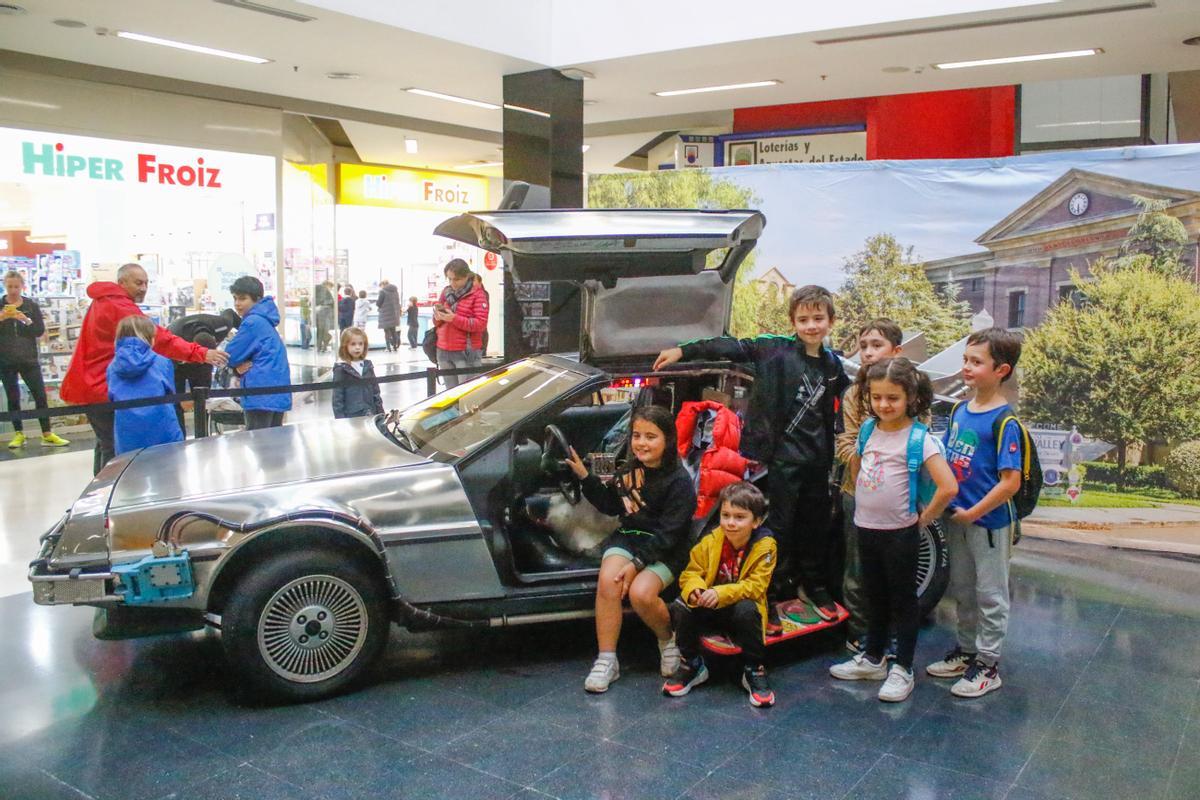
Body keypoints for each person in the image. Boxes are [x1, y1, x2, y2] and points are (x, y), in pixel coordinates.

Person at [654, 285, 850, 626]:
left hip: (818, 461)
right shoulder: (776, 348)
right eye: (803, 319)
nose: (811, 325)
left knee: (815, 529)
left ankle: (815, 587)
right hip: (783, 459)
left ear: (831, 321)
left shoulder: (834, 365)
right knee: (779, 532)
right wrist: (683, 351)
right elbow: (733, 345)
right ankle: (768, 595)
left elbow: (848, 401)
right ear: (793, 321)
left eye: (818, 318)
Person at [828, 357, 957, 702]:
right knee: (874, 596)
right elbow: (859, 465)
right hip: (866, 528)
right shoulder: (869, 430)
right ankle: (873, 658)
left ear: (911, 397)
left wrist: (922, 520)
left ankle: (902, 667)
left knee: (903, 601)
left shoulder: (919, 438)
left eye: (893, 398)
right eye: (877, 397)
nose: (883, 405)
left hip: (900, 534)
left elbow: (948, 487)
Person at [561, 405, 696, 693]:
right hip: (630, 536)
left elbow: (669, 535)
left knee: (640, 594)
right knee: (609, 582)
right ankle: (608, 659)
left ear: (668, 440)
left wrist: (636, 564)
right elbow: (612, 505)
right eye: (637, 435)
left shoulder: (680, 482)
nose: (641, 443)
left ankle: (666, 638)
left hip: (665, 547)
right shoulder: (630, 469)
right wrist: (586, 477)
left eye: (651, 436)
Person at [925, 328, 1023, 699]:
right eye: (966, 359)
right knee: (963, 589)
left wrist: (974, 513)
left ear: (1001, 369)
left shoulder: (1005, 421)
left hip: (989, 524)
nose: (967, 367)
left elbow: (1009, 482)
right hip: (959, 519)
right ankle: (966, 652)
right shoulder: (959, 411)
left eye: (976, 362)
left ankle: (988, 663)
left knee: (991, 593)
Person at [60, 263, 226, 474]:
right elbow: (159, 338)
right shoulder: (120, 306)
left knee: (105, 443)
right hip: (102, 386)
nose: (143, 288)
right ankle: (109, 497)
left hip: (91, 384)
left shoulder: (102, 301)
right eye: (138, 283)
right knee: (112, 448)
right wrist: (200, 353)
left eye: (146, 283)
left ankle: (99, 494)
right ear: (122, 282)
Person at [663, 482, 778, 708]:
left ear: (756, 521)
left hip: (738, 610)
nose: (730, 523)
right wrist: (696, 590)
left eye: (739, 517)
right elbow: (690, 573)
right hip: (710, 607)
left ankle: (754, 669)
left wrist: (719, 592)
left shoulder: (766, 547)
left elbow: (756, 586)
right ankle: (692, 664)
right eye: (726, 515)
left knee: (748, 608)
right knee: (681, 604)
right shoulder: (710, 540)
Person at [834, 319, 905, 655]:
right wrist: (872, 464)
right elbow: (846, 442)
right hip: (857, 492)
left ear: (896, 351)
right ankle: (861, 635)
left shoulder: (911, 391)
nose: (868, 352)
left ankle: (891, 635)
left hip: (900, 497)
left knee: (894, 570)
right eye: (863, 346)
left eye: (876, 345)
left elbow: (915, 442)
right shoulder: (853, 394)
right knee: (858, 570)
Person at [1, 270, 69, 448]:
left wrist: (25, 319)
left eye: (16, 286)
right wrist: (2, 317)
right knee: (13, 396)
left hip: (29, 359)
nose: (13, 290)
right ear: (4, 285)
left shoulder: (30, 305)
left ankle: (47, 433)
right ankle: (18, 433)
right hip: (5, 360)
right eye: (10, 286)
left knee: (40, 395)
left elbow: (39, 330)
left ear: (22, 286)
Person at [106, 315, 184, 456]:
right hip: (163, 430)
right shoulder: (163, 362)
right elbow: (171, 394)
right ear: (150, 338)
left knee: (131, 473)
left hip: (127, 432)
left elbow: (111, 396)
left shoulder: (112, 367)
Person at [223, 276, 292, 430]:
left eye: (242, 299)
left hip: (260, 393)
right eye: (235, 298)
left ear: (256, 299)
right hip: (276, 392)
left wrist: (234, 365)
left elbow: (230, 355)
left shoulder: (252, 322)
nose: (237, 304)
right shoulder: (266, 320)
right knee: (273, 445)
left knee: (259, 445)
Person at [167, 309, 240, 433]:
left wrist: (245, 332)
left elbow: (230, 313)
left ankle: (203, 434)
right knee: (176, 402)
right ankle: (179, 439)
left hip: (204, 355)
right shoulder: (174, 338)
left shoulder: (222, 325)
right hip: (179, 359)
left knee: (204, 398)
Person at [433, 259, 488, 389]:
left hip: (466, 352)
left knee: (467, 394)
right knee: (450, 395)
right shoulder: (446, 292)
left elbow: (480, 324)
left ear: (466, 276)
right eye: (450, 279)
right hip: (443, 350)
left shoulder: (478, 295)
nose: (453, 283)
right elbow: (436, 322)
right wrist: (438, 316)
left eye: (456, 279)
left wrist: (454, 318)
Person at [331, 327, 384, 419]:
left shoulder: (368, 365)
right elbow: (337, 399)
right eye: (353, 344)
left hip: (370, 413)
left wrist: (381, 414)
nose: (357, 347)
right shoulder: (341, 368)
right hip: (352, 416)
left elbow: (376, 392)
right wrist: (340, 420)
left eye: (360, 344)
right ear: (345, 346)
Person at [376, 279, 401, 352]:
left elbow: (378, 303)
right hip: (394, 314)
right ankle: (395, 347)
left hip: (385, 314)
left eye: (381, 286)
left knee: (387, 332)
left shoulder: (383, 291)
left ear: (383, 285)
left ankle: (388, 348)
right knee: (393, 331)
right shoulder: (395, 291)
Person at [314, 280, 335, 353]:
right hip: (324, 314)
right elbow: (331, 302)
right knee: (323, 331)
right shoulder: (324, 290)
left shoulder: (316, 289)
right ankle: (322, 346)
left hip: (319, 314)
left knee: (320, 331)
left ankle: (320, 347)